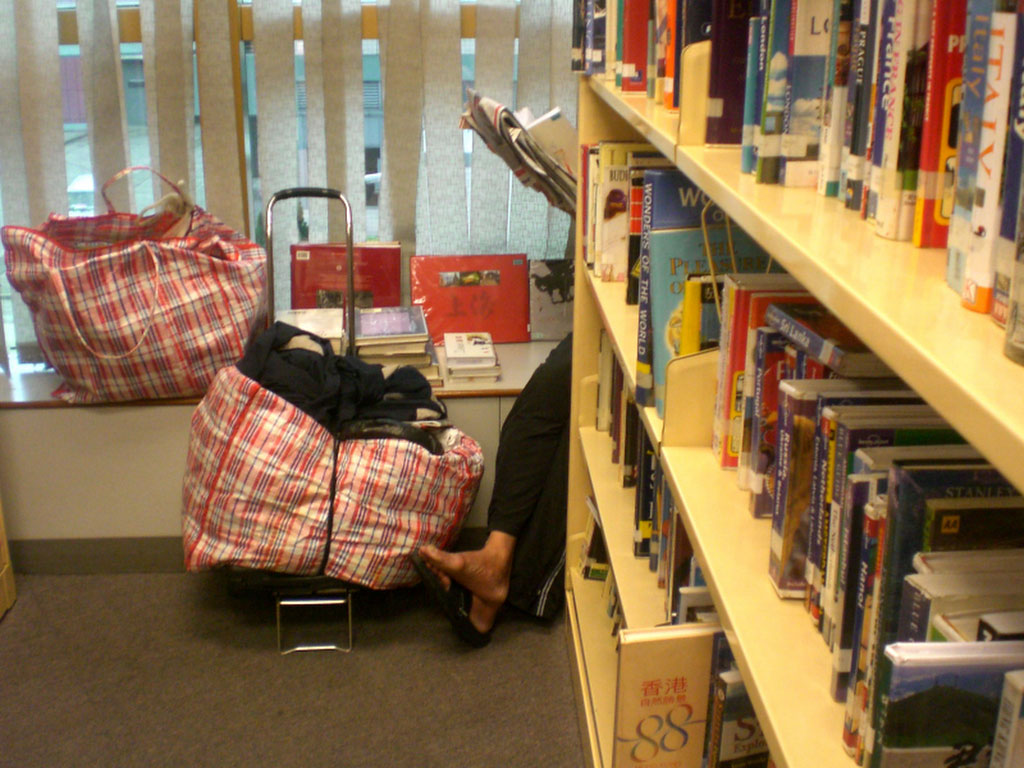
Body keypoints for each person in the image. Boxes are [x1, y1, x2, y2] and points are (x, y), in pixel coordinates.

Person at [412, 333, 573, 647]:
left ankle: (507, 587)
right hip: (610, 308)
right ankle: (495, 557)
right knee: (531, 412)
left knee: (579, 440)